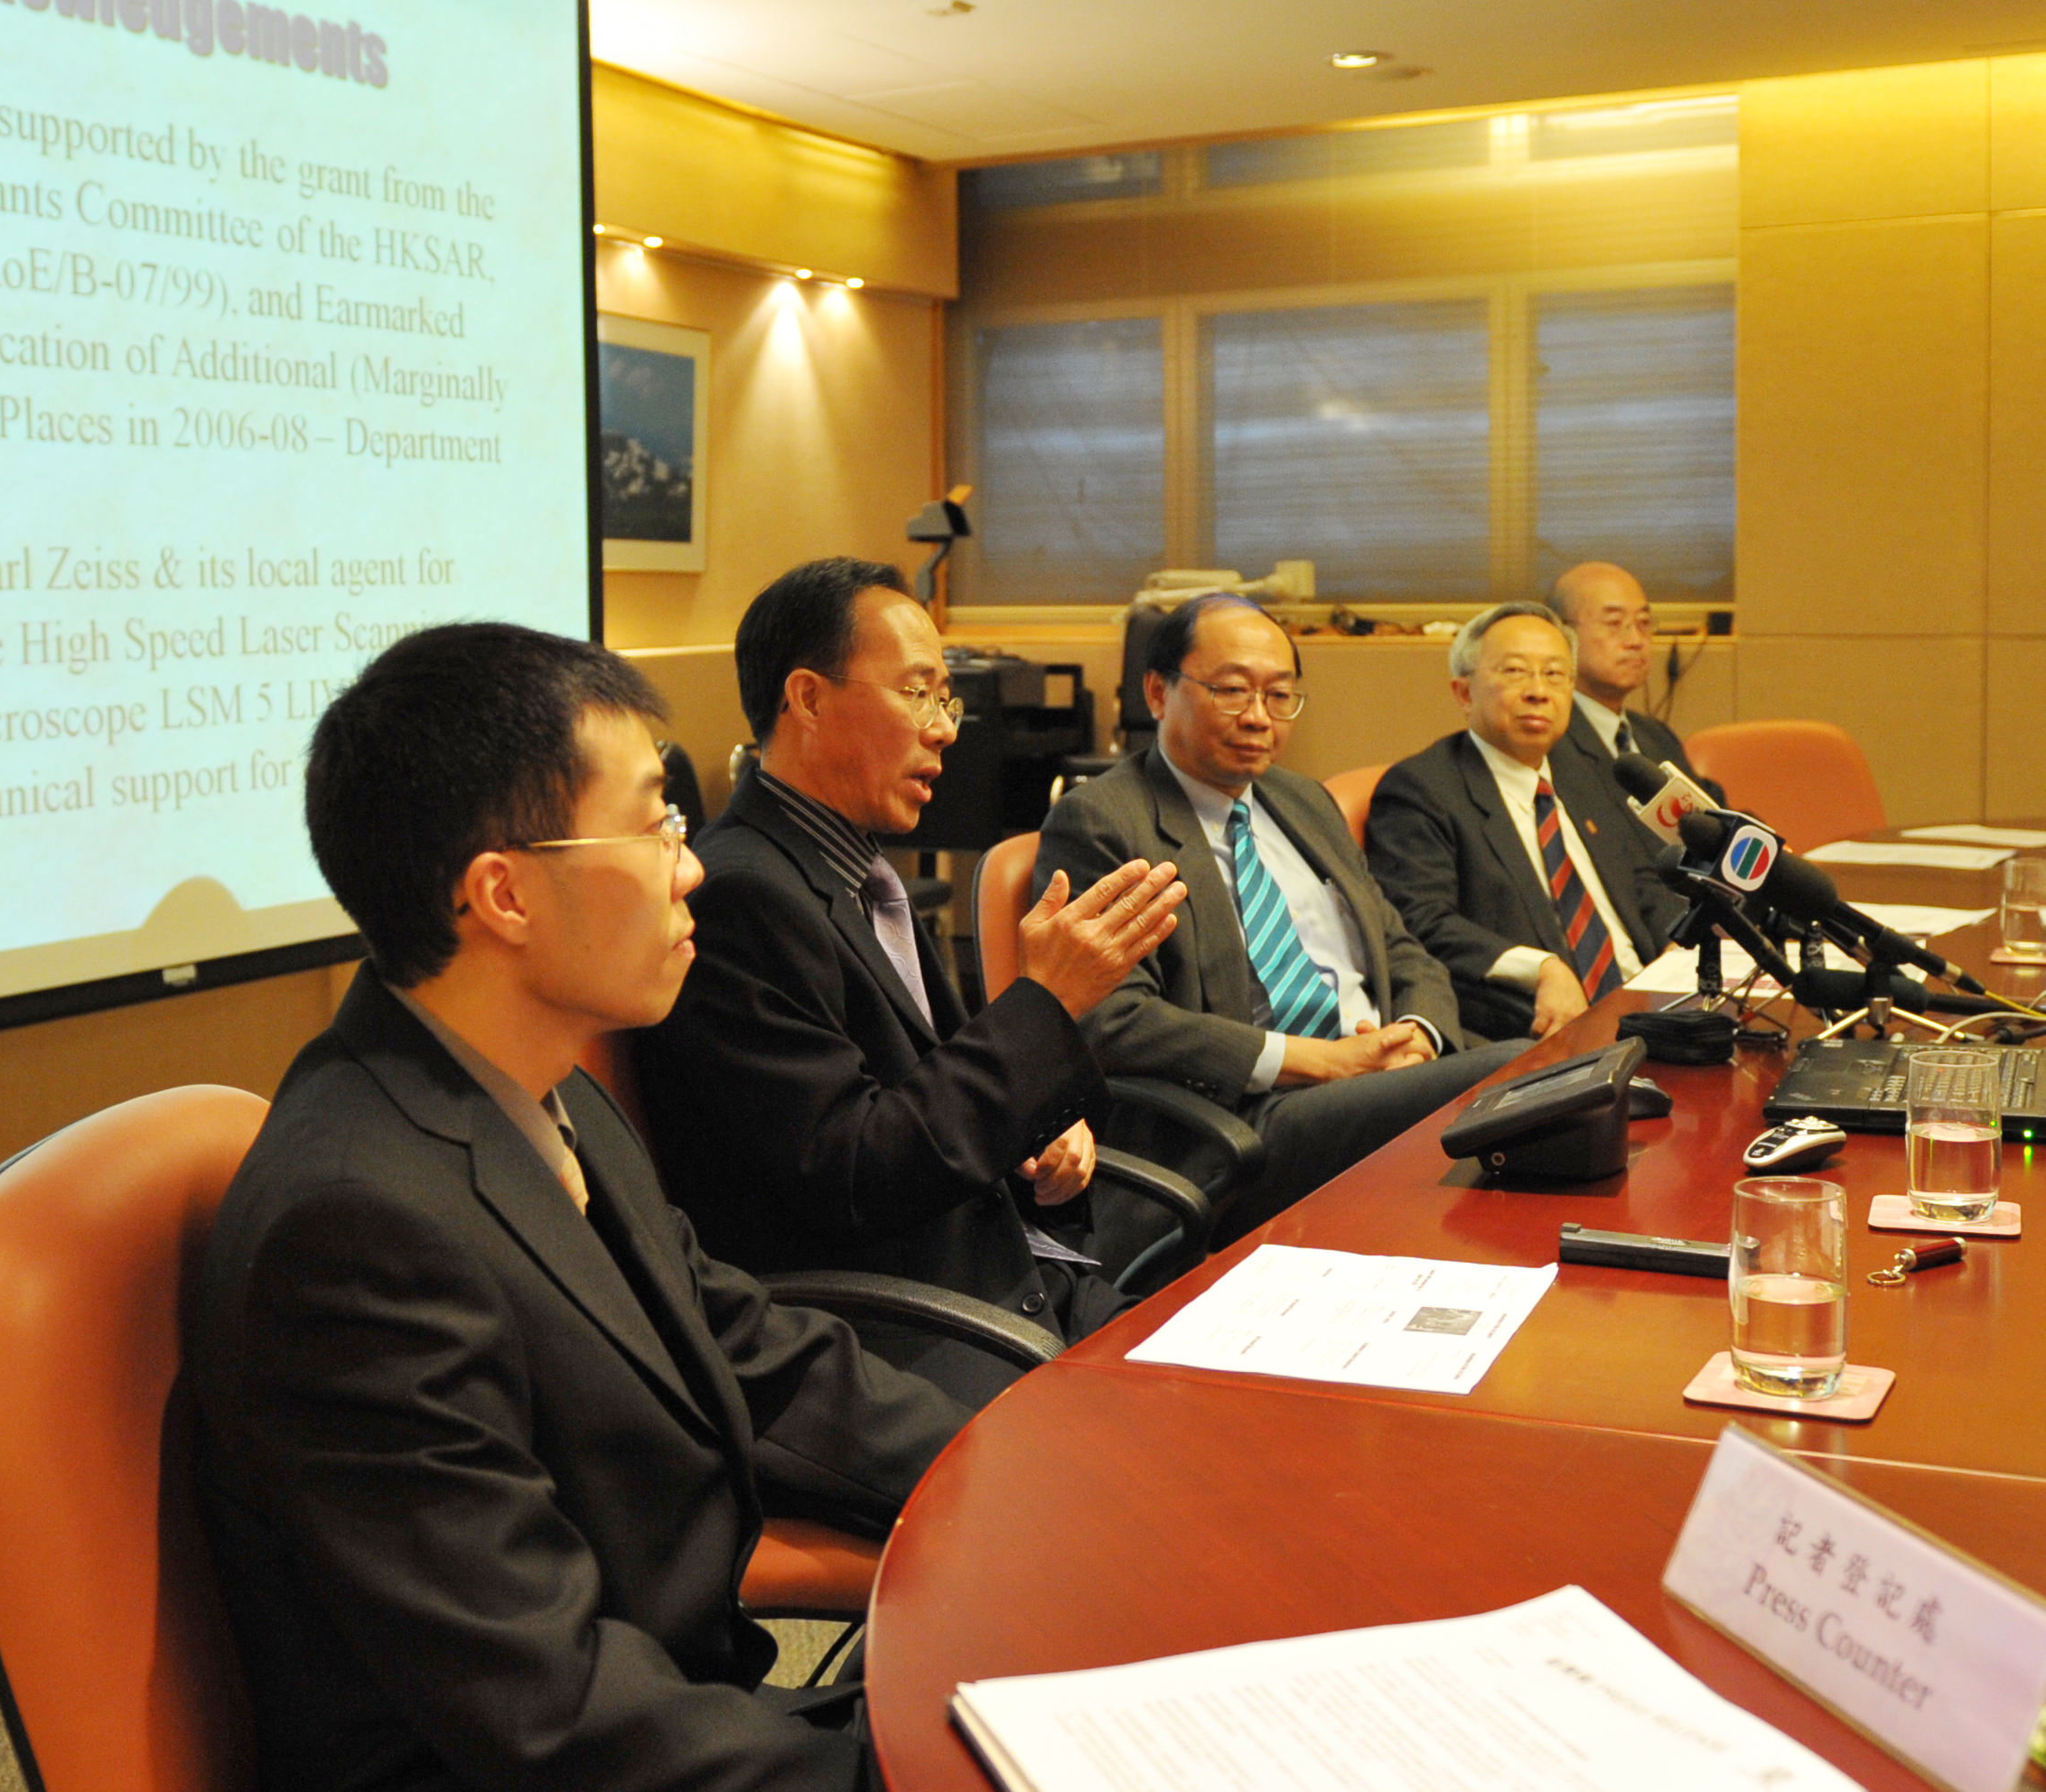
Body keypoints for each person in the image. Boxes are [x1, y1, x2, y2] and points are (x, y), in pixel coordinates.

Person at [189, 621, 972, 1792]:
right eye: (657, 822)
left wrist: (1004, 1476)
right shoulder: (354, 1230)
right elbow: (551, 1710)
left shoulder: (547, 1088)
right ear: (502, 892)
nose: (692, 862)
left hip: (678, 1705)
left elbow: (761, 1354)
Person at [633, 559, 1185, 1406]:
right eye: (918, 694)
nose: (945, 730)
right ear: (808, 699)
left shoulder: (849, 865)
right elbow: (857, 1171)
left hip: (1016, 1275)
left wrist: (1043, 1127)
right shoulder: (742, 893)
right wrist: (1044, 1007)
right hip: (906, 1335)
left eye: (947, 699)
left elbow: (931, 1090)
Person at [1036, 594, 1526, 1242]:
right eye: (1233, 691)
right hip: (1246, 1117)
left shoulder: (1302, 800)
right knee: (1520, 1069)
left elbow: (1400, 946)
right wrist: (1326, 1061)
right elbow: (1112, 1017)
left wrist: (1418, 1038)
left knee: (1552, 1088)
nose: (1259, 718)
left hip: (1377, 1078)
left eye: (1280, 695)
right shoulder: (1104, 820)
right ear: (1157, 692)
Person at [1367, 602, 1682, 1042]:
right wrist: (1541, 968)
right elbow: (1421, 922)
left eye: (1554, 675)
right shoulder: (1421, 790)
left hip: (1650, 1009)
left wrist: (1679, 945)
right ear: (1464, 693)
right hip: (1536, 1025)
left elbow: (1639, 881)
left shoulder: (1584, 774)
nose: (1538, 691)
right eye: (1515, 672)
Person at [1544, 561, 1718, 798]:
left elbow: (1712, 816)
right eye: (1614, 623)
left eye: (1643, 622)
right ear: (1561, 634)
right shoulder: (1545, 739)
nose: (1636, 640)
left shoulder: (1656, 736)